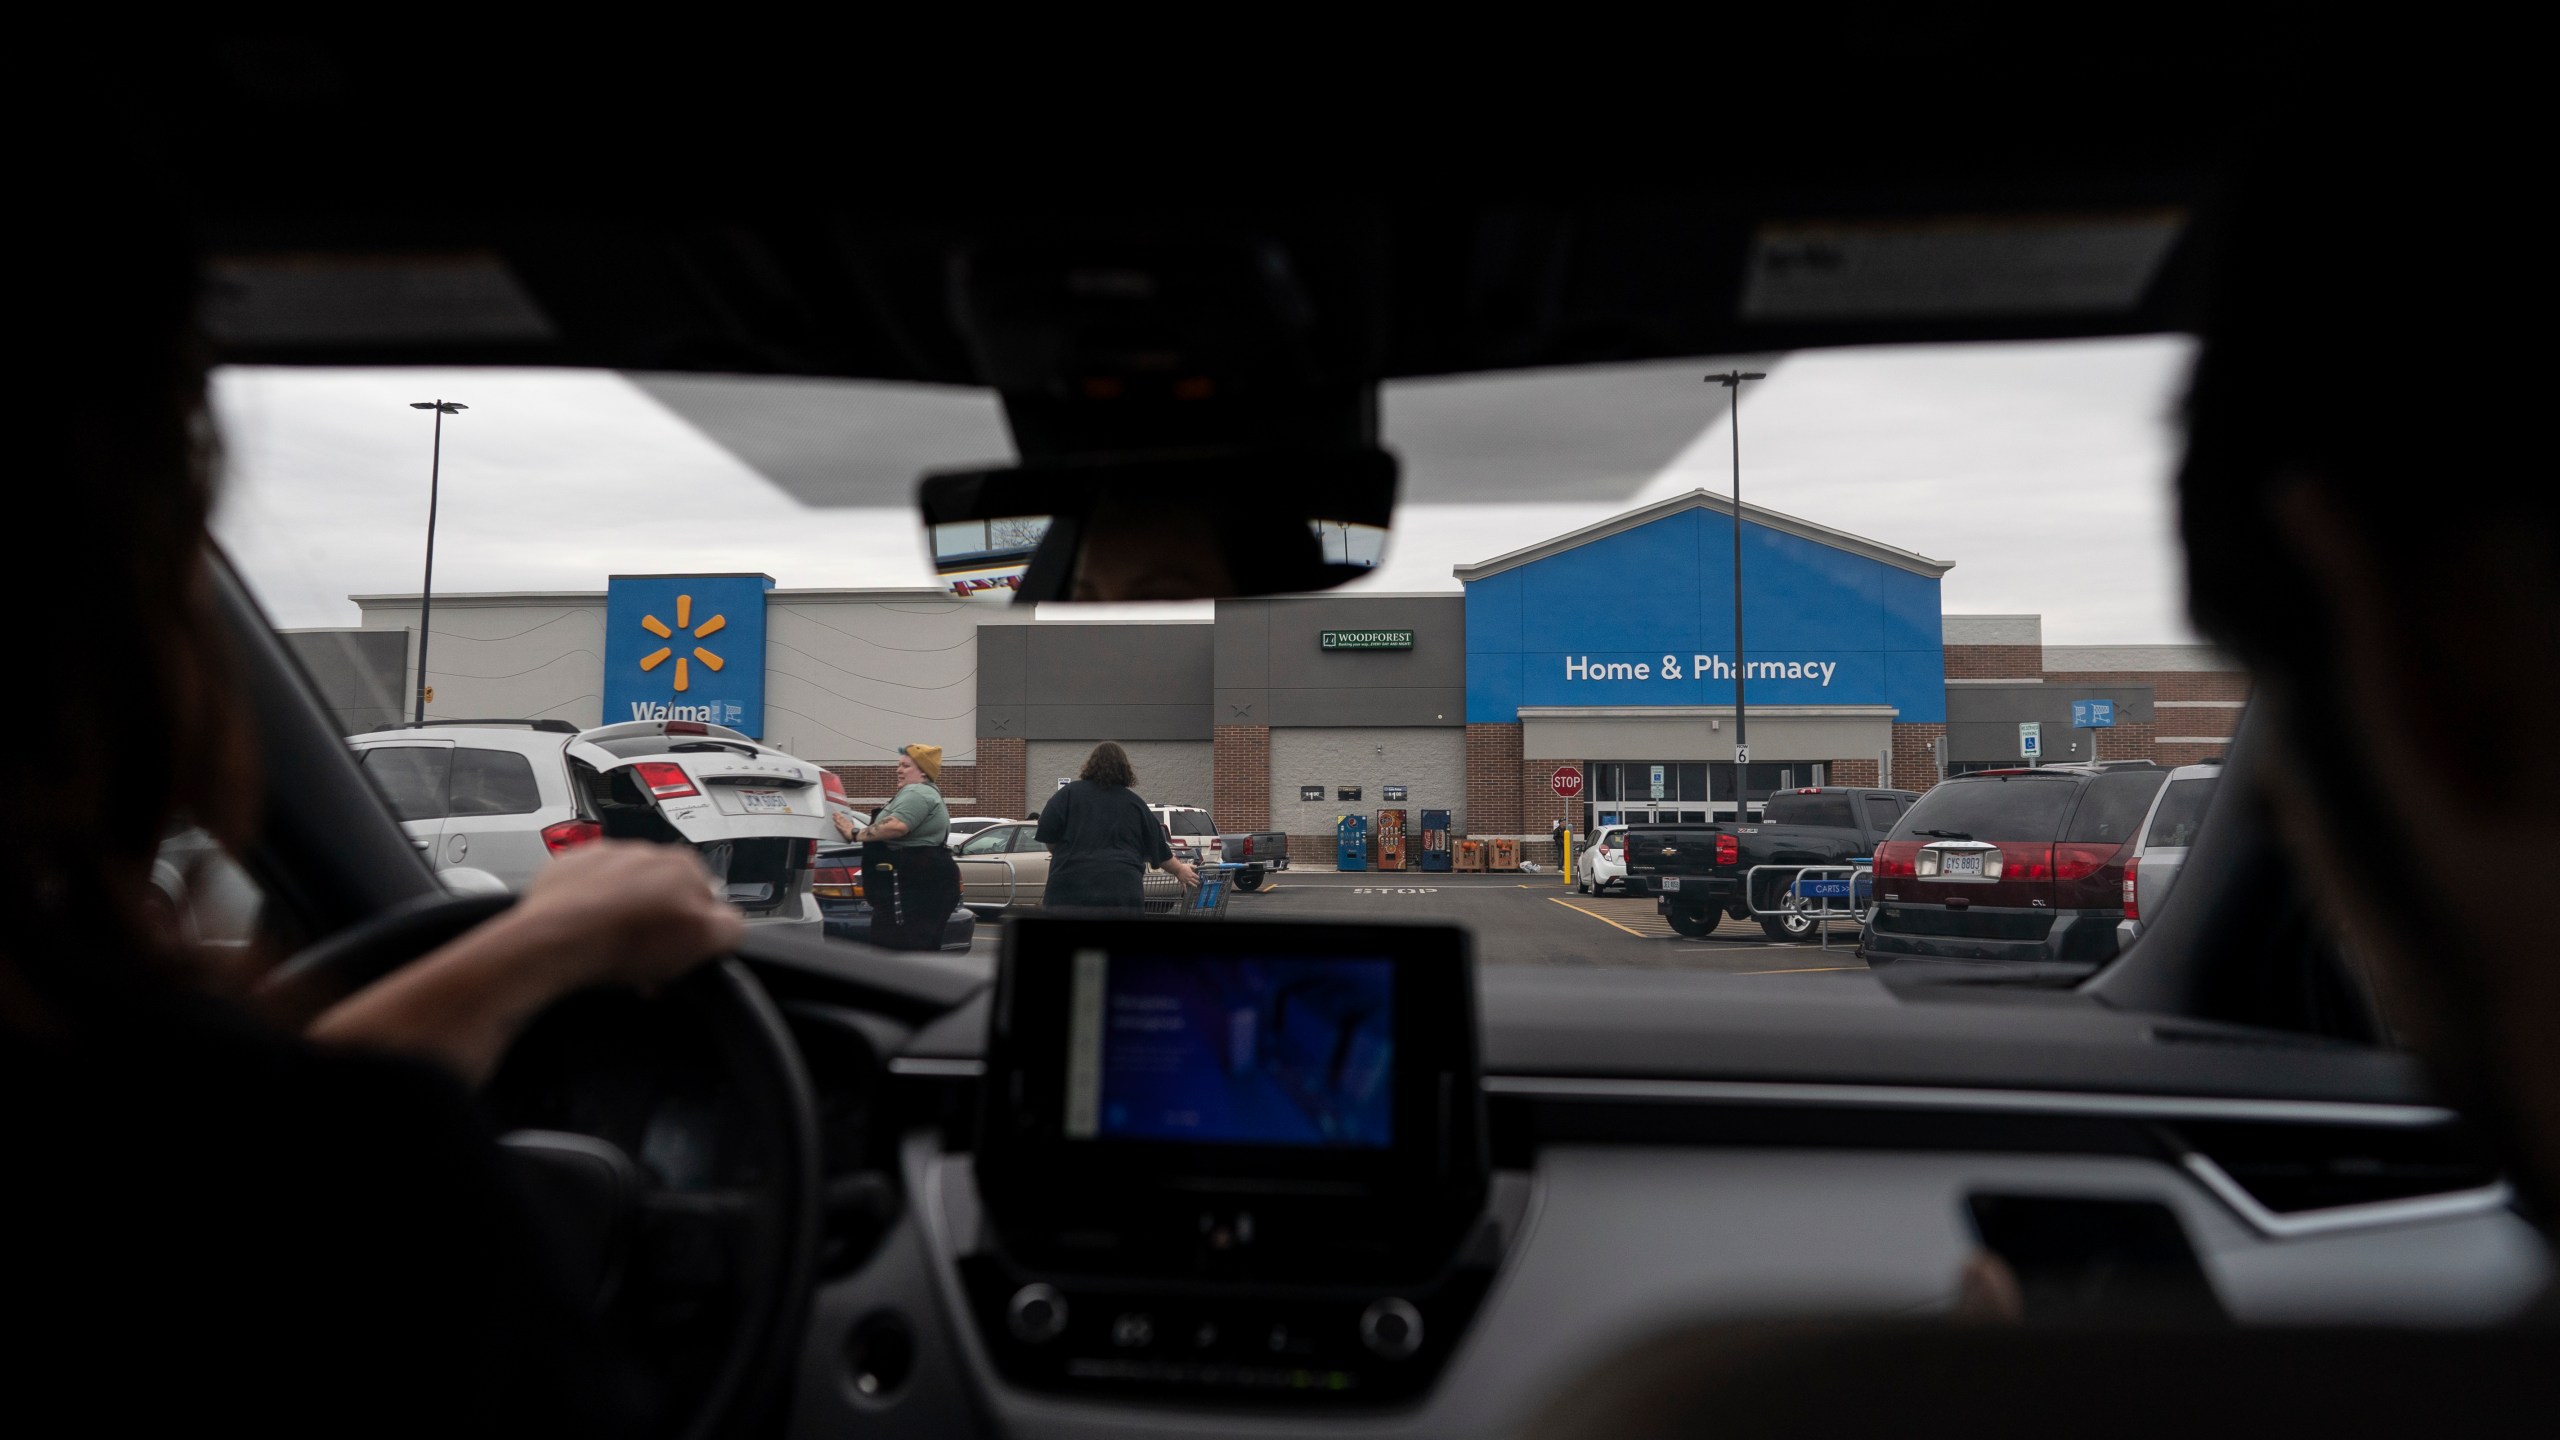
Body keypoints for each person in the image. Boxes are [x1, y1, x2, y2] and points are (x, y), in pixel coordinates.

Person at [3, 165, 752, 1436]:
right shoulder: (358, 1203)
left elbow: (228, 1167)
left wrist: (528, 951)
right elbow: (263, 1179)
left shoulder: (221, 1147)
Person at [1035, 743, 1200, 913]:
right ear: (1125, 770)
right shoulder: (1136, 805)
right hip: (1121, 894)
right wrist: (1179, 869)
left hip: (1068, 893)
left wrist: (1065, 852)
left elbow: (1048, 835)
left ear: (1090, 765)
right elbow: (1159, 848)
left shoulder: (1067, 794)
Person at [839, 744, 961, 950]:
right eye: (899, 765)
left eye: (906, 766)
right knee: (917, 949)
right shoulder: (925, 793)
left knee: (897, 950)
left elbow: (897, 826)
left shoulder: (917, 791)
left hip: (911, 886)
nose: (899, 770)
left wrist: (854, 833)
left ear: (923, 771)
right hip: (924, 884)